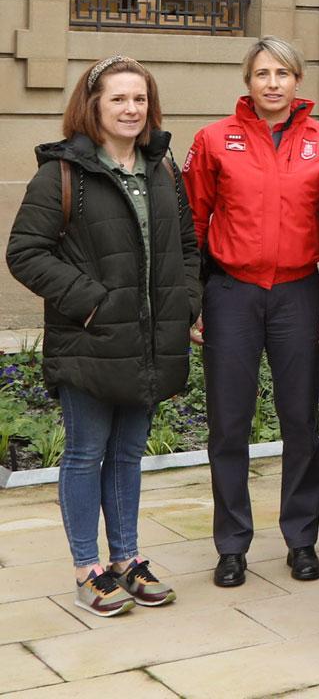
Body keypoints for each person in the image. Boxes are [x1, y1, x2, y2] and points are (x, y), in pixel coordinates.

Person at [8, 56, 198, 618]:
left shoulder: (163, 170)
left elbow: (187, 247)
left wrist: (185, 303)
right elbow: (25, 253)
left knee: (127, 456)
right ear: (92, 106)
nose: (131, 109)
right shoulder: (63, 173)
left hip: (146, 343)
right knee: (86, 454)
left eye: (139, 99)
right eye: (118, 99)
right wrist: (92, 303)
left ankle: (126, 560)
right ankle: (87, 568)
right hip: (88, 342)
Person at [182, 37, 319, 589]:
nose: (272, 83)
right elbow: (193, 224)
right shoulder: (212, 140)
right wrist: (193, 299)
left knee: (300, 420)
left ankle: (302, 541)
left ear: (298, 81)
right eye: (261, 73)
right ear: (247, 82)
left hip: (298, 292)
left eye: (282, 73)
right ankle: (231, 546)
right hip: (231, 293)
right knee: (229, 423)